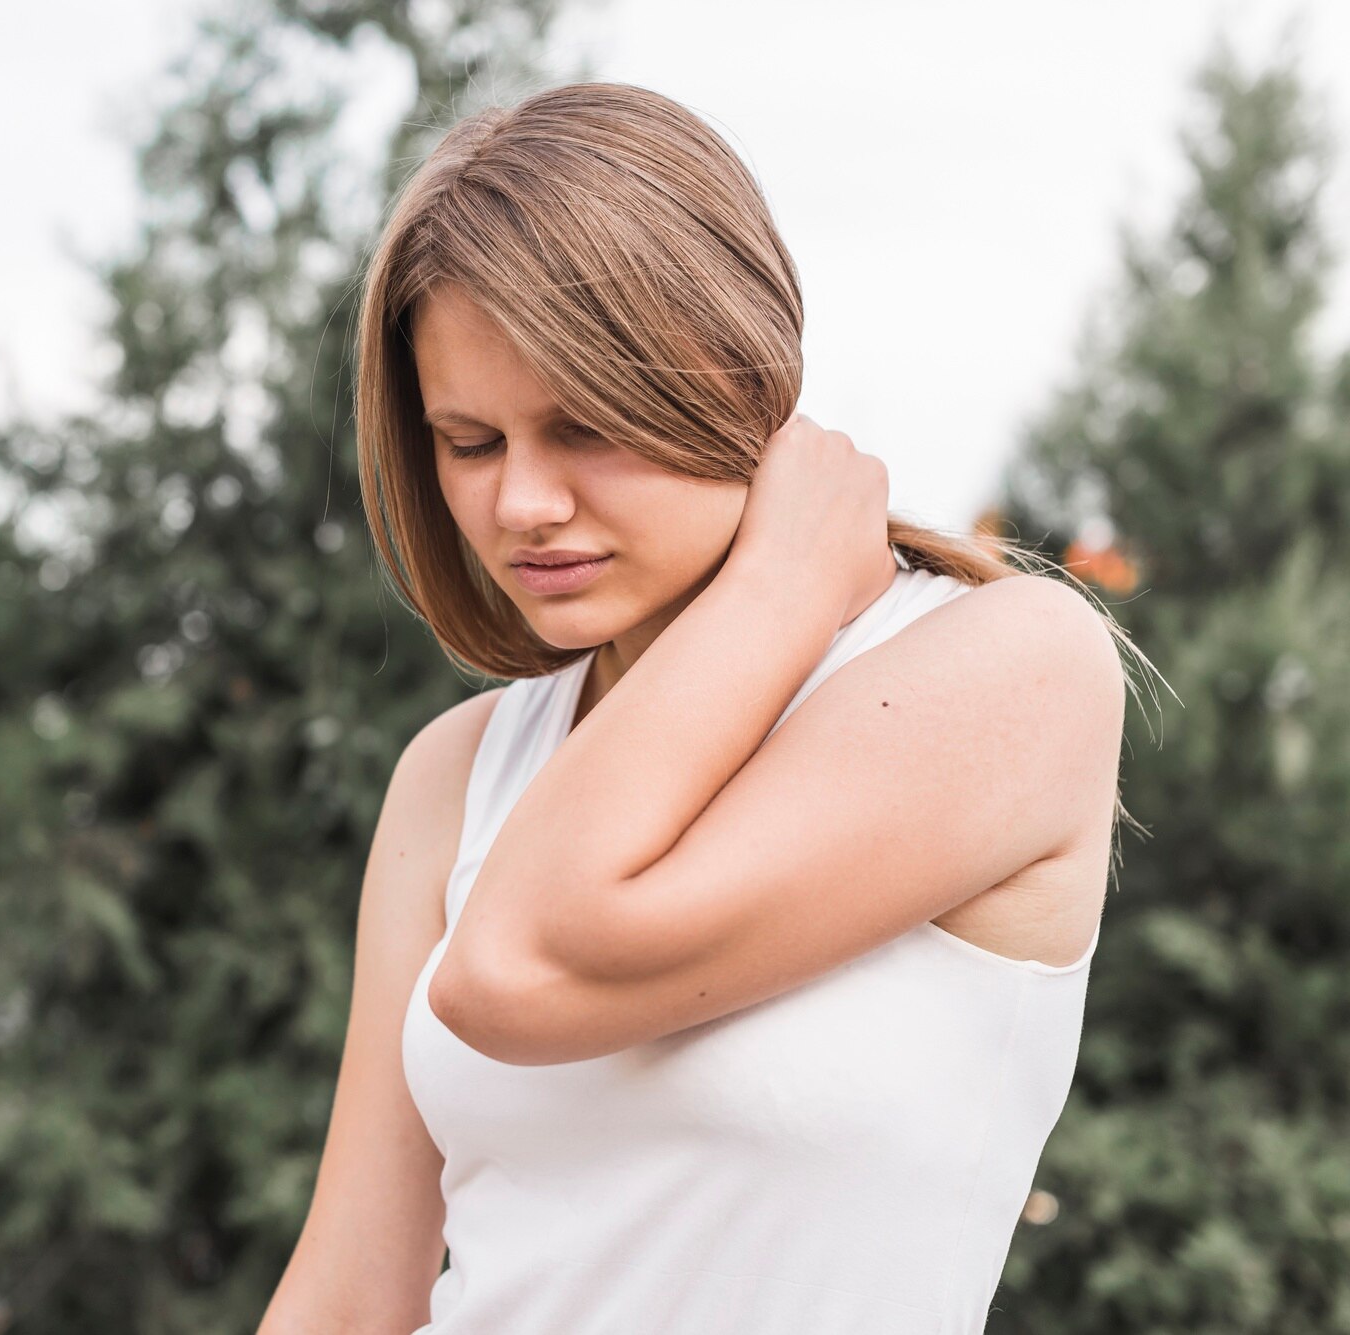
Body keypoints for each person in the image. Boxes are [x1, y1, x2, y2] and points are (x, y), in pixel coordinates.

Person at [260, 81, 1150, 1334]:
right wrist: (780, 579)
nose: (520, 504)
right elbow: (349, 1295)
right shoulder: (452, 773)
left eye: (581, 427)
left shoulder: (1013, 668)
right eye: (469, 442)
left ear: (734, 375)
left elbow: (511, 966)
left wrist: (784, 585)